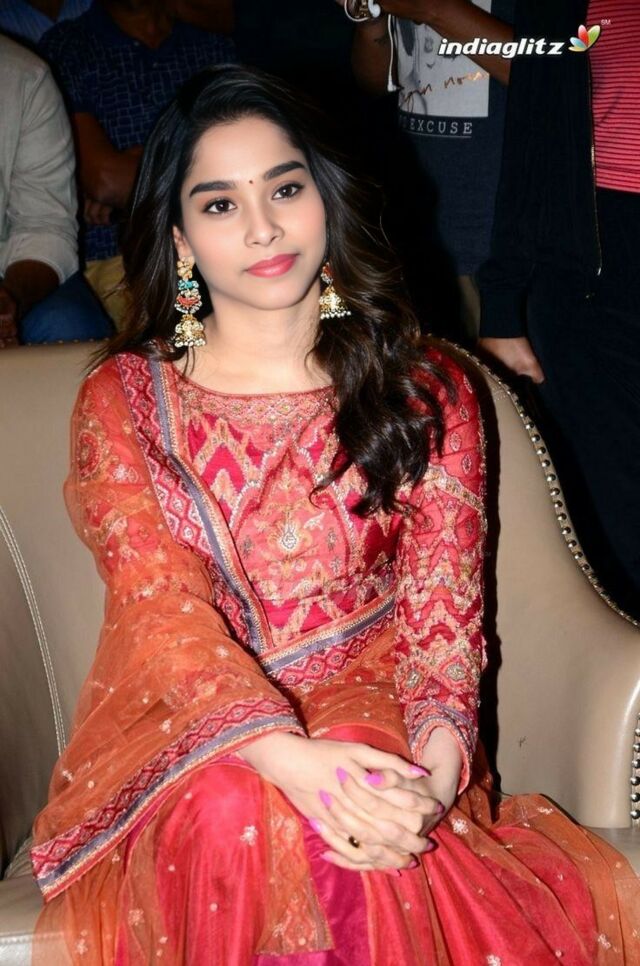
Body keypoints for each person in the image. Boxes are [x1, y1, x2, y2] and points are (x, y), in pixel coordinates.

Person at [29, 65, 638, 964]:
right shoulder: (127, 399)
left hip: (383, 708)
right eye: (221, 204)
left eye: (285, 188)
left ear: (327, 197)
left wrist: (432, 780)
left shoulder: (423, 387)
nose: (264, 227)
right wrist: (286, 758)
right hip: (190, 724)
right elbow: (162, 612)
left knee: (361, 798)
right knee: (240, 807)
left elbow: (443, 613)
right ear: (180, 238)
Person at [477, 0, 640, 619]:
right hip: (592, 287)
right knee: (617, 520)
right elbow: (531, 141)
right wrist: (501, 306)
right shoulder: (565, 4)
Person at [39, 0, 235, 324]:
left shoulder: (214, 44)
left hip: (214, 241)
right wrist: (193, 171)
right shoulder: (68, 46)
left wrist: (133, 182)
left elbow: (239, 167)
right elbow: (106, 180)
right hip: (110, 254)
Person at [347, 0, 514, 342]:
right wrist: (370, 21)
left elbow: (558, 73)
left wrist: (432, 9)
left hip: (503, 239)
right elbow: (376, 84)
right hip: (414, 224)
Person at [0, 34, 112, 348]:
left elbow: (45, 225)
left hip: (8, 265)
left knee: (70, 326)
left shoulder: (21, 75)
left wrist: (10, 302)